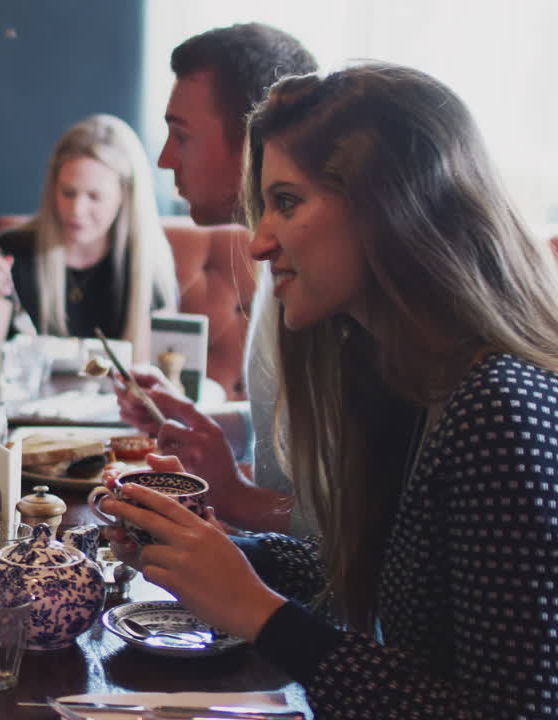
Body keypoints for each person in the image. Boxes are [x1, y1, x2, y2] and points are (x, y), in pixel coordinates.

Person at [101, 62, 558, 718]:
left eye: (287, 202)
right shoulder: (396, 374)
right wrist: (218, 554)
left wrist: (259, 612)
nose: (258, 243)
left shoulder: (498, 409)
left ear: (394, 206)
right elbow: (365, 577)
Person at [117, 23, 317, 534]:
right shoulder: (275, 261)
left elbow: (366, 529)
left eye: (181, 135)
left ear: (254, 139)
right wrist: (205, 425)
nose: (164, 158)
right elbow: (298, 438)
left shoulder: (326, 285)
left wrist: (236, 497)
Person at [0, 113, 177, 363]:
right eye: (68, 193)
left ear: (125, 197)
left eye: (94, 197)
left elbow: (151, 376)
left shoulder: (146, 266)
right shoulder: (14, 252)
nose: (76, 211)